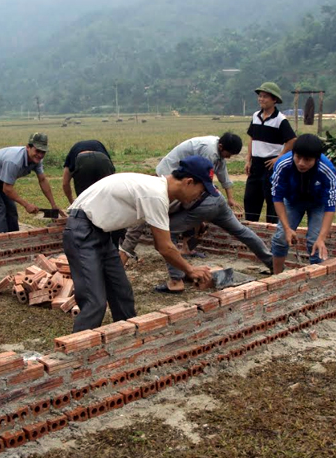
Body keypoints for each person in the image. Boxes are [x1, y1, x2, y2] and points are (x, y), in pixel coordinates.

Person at [64, 156, 215, 332]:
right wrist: (190, 270)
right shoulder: (155, 194)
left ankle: (127, 339)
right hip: (81, 230)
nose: (199, 197)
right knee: (94, 301)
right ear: (189, 182)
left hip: (100, 233)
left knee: (122, 293)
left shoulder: (156, 190)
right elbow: (164, 246)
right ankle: (78, 355)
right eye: (201, 190)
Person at [119, 132, 274, 293]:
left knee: (167, 232)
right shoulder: (201, 159)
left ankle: (176, 280)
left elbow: (140, 226)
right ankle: (273, 263)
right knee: (241, 231)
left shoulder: (163, 193)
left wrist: (125, 251)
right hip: (216, 198)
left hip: (203, 203)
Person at [271, 134, 336, 274]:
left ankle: (319, 279)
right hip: (292, 201)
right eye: (298, 157)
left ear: (316, 159)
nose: (301, 163)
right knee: (281, 237)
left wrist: (322, 237)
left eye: (307, 160)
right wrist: (287, 228)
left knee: (315, 241)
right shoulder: (283, 164)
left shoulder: (327, 170)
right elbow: (277, 197)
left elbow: (330, 206)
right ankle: (276, 277)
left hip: (318, 203)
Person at [0, 132, 63, 233]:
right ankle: (2, 242)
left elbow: (42, 180)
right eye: (37, 151)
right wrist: (26, 205)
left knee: (12, 209)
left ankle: (14, 237)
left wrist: (53, 205)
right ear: (28, 147)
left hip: (2, 178)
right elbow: (7, 188)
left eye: (43, 152)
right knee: (0, 209)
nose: (40, 155)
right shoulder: (14, 161)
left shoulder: (37, 160)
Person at [244, 82, 297, 224]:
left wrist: (279, 158)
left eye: (265, 96)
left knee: (272, 200)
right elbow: (252, 138)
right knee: (251, 198)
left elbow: (292, 140)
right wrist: (248, 159)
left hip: (271, 165)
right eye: (260, 96)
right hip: (256, 164)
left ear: (274, 100)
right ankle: (251, 229)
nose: (261, 99)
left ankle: (271, 230)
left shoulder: (280, 120)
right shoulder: (256, 116)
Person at [62, 139, 115, 204]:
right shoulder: (98, 144)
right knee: (105, 190)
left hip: (83, 160)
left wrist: (72, 203)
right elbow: (112, 178)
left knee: (84, 198)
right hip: (102, 159)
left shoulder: (72, 154)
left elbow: (65, 183)